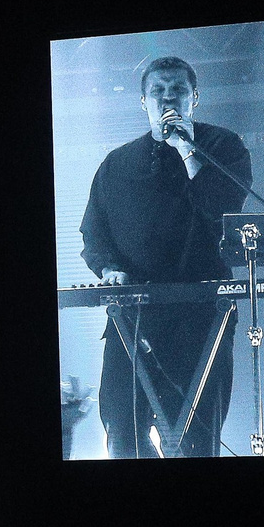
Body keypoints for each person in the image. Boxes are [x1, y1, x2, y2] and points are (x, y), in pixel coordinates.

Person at [78, 55, 254, 457]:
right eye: (157, 90)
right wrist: (107, 269)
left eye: (176, 89)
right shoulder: (116, 164)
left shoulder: (223, 146)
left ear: (195, 97)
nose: (167, 97)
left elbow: (224, 208)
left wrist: (187, 149)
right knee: (123, 430)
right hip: (133, 317)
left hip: (202, 315)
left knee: (199, 437)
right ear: (143, 102)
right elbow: (93, 232)